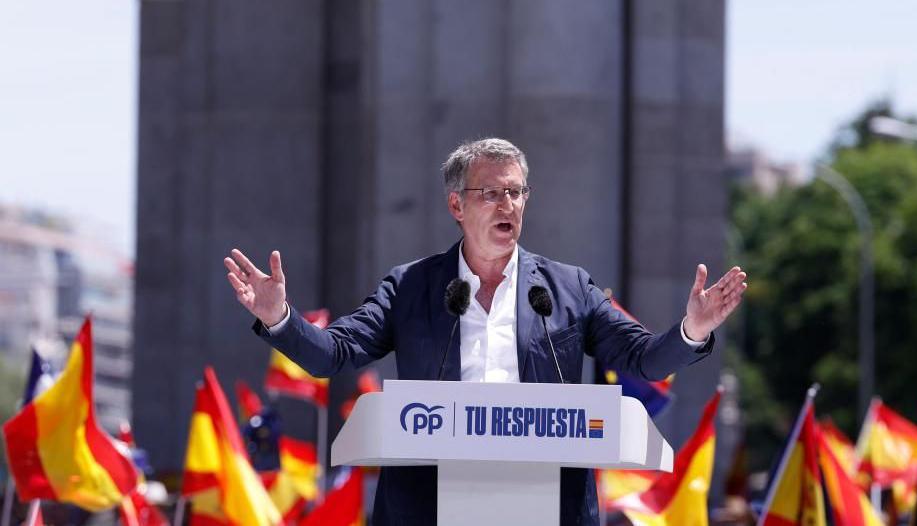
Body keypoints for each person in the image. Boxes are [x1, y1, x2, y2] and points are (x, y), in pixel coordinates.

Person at [224, 138, 746, 525]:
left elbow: (641, 360)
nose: (508, 205)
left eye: (517, 193)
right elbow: (333, 355)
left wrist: (691, 330)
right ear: (457, 205)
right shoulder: (411, 287)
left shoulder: (568, 288)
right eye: (491, 193)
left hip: (550, 504)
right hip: (427, 503)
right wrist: (280, 317)